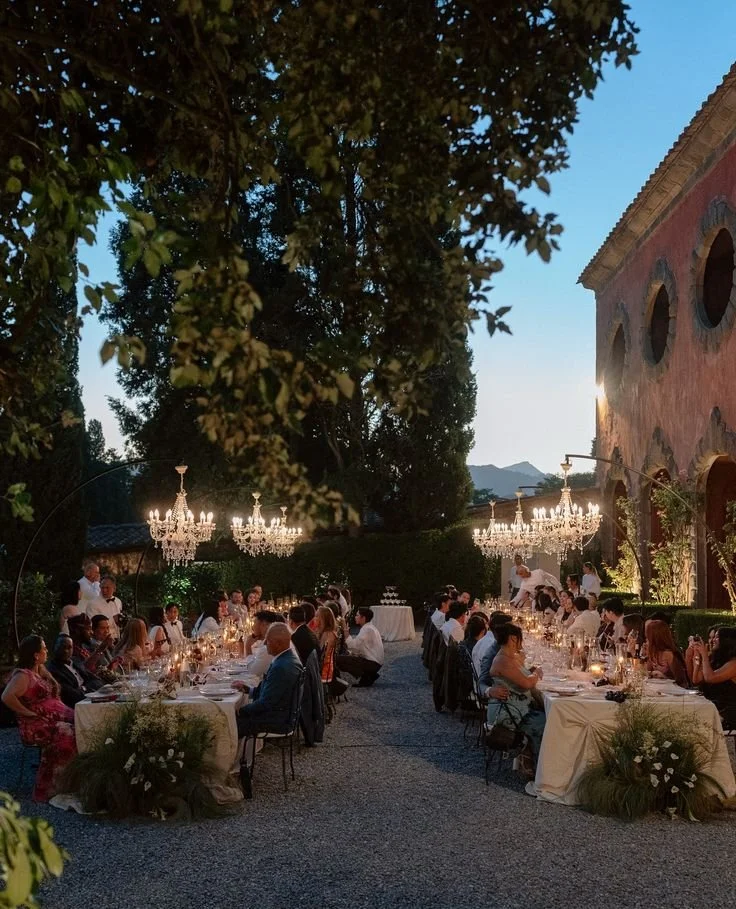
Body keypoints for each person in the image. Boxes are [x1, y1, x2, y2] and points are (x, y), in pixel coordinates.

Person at [1, 635, 77, 801]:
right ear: (35, 654)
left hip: (51, 719)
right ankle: (53, 785)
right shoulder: (23, 675)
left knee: (83, 726)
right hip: (36, 726)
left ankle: (76, 780)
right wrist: (27, 713)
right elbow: (7, 697)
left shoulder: (40, 670)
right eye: (44, 648)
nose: (47, 650)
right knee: (68, 732)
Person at [486, 623, 546, 767]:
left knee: (549, 714)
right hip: (509, 713)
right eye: (521, 638)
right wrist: (537, 673)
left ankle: (531, 758)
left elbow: (520, 676)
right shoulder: (502, 660)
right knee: (548, 722)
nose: (522, 642)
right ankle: (537, 767)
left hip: (517, 707)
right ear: (513, 639)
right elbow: (526, 683)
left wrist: (530, 670)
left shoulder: (509, 657)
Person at [234, 623, 303, 738]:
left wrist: (240, 710)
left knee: (228, 723)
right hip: (283, 715)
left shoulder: (281, 667)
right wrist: (249, 690)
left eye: (268, 641)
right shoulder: (287, 658)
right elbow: (272, 692)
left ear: (279, 644)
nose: (265, 643)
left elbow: (265, 704)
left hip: (277, 721)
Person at [689, 627, 736, 727]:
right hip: (710, 706)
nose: (712, 640)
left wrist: (704, 656)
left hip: (726, 712)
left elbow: (710, 678)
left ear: (727, 641)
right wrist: (698, 655)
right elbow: (696, 679)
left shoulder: (733, 664)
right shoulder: (715, 659)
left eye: (717, 637)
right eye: (712, 637)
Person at [336, 607, 385, 687]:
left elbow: (354, 646)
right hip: (375, 662)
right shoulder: (369, 627)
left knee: (338, 659)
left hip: (373, 663)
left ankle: (367, 675)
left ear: (363, 618)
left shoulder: (367, 629)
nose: (355, 617)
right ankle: (368, 675)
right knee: (346, 657)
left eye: (357, 615)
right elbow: (359, 647)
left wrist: (346, 633)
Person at [47, 634, 97, 707]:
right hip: (79, 705)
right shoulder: (53, 670)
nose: (66, 651)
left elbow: (96, 680)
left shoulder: (76, 662)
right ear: (54, 648)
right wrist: (91, 690)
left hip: (91, 697)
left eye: (69, 647)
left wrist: (84, 688)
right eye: (63, 647)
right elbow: (72, 695)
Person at [474, 612, 512, 698]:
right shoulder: (491, 651)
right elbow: (481, 683)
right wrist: (490, 691)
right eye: (512, 630)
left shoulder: (501, 646)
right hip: (500, 699)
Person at [645, 620, 688, 686]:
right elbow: (645, 672)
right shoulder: (653, 652)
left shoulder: (669, 654)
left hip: (674, 691)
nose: (646, 639)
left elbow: (681, 681)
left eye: (648, 637)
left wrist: (664, 677)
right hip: (658, 689)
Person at [244, 610, 284, 679]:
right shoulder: (276, 638)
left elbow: (253, 672)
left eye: (254, 623)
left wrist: (247, 646)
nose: (252, 627)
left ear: (263, 624)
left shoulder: (269, 647)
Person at [86, 575, 122, 639]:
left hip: (118, 638)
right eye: (102, 587)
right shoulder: (92, 604)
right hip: (102, 641)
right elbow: (93, 625)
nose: (104, 590)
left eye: (107, 588)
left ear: (114, 588)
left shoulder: (118, 601)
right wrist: (113, 619)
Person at [314, 605, 338, 683]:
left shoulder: (330, 635)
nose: (314, 618)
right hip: (319, 665)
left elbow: (324, 657)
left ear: (323, 619)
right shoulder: (320, 632)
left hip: (325, 670)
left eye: (317, 616)